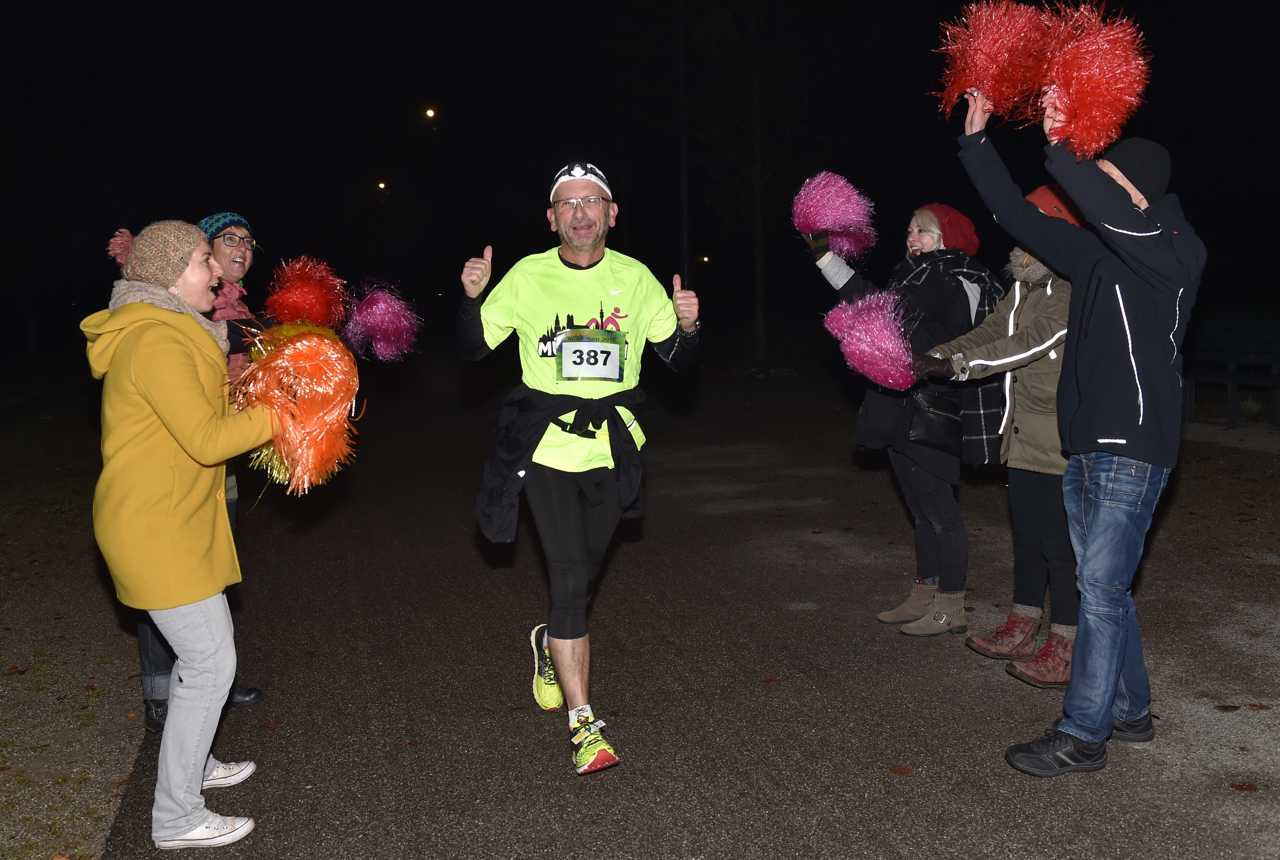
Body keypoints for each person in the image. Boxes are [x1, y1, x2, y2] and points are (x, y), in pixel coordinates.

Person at [956, 88, 1206, 776]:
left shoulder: (1175, 253)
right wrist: (977, 144)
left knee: (1098, 589)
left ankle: (1083, 733)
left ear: (1141, 194)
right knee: (1109, 591)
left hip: (1135, 448)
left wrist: (1063, 141)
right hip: (1084, 446)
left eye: (1112, 178)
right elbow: (1015, 213)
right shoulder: (1097, 257)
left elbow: (1092, 199)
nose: (1098, 190)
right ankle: (1130, 711)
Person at [459, 161, 700, 774]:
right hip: (545, 447)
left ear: (612, 214)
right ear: (551, 218)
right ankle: (585, 726)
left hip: (613, 448)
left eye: (593, 201)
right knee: (569, 579)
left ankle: (549, 642)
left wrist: (691, 325)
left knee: (584, 576)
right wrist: (472, 300)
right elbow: (471, 349)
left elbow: (679, 362)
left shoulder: (638, 278)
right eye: (568, 204)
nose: (581, 212)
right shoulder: (527, 276)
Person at [84, 221, 274, 848]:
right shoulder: (157, 342)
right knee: (212, 663)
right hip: (153, 526)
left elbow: (208, 420)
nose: (217, 271)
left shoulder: (179, 332)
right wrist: (285, 413)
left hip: (175, 520)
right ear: (168, 273)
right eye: (202, 260)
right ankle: (175, 818)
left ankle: (192, 765)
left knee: (204, 663)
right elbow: (206, 440)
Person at [805, 204, 1004, 636]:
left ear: (947, 237)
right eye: (910, 229)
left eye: (924, 230)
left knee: (940, 512)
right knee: (920, 511)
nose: (912, 236)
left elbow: (883, 309)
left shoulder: (953, 277)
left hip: (933, 405)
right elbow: (885, 308)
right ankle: (924, 593)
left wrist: (827, 260)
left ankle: (951, 604)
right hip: (902, 403)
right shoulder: (916, 274)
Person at [915, 184, 1081, 688]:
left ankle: (1068, 643)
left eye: (1032, 220)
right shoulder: (1025, 285)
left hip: (1056, 434)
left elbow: (1027, 345)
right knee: (1027, 538)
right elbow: (991, 331)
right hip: (1023, 429)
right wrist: (936, 354)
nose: (1019, 230)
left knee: (1059, 545)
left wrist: (956, 367)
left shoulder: (1071, 288)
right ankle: (1023, 624)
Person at [135, 212, 265, 736]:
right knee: (167, 592)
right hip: (170, 483)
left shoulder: (232, 312)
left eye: (248, 240)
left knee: (208, 583)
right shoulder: (170, 325)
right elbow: (199, 423)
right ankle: (162, 691)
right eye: (227, 239)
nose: (241, 246)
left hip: (214, 473)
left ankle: (210, 683)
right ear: (204, 254)